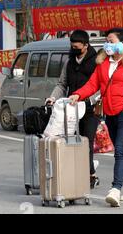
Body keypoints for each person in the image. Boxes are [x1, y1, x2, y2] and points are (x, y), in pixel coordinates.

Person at [70, 27, 123, 208]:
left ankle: (115, 189)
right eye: (106, 40)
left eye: (110, 41)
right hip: (110, 112)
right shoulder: (103, 63)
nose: (107, 44)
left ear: (122, 44)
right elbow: (93, 84)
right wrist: (77, 95)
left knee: (120, 149)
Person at [46, 30, 101, 189]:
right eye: (72, 47)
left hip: (89, 109)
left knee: (86, 142)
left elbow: (99, 87)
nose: (74, 50)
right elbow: (62, 84)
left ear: (85, 45)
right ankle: (73, 172)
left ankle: (90, 174)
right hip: (70, 110)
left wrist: (90, 100)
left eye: (77, 47)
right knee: (70, 142)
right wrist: (53, 97)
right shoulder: (69, 62)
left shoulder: (96, 62)